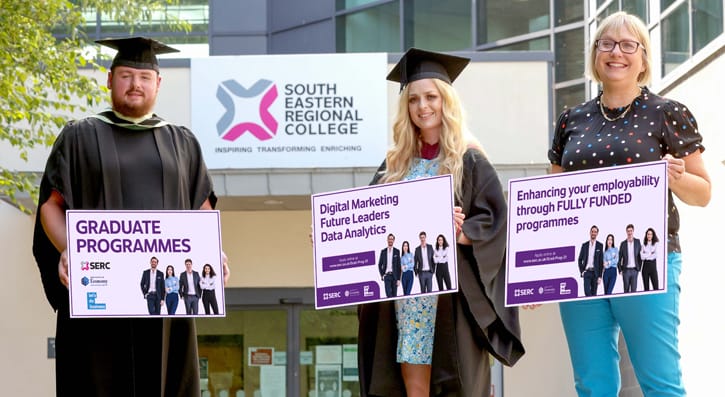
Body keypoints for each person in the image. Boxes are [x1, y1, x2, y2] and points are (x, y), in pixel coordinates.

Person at [32, 36, 229, 396]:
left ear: (158, 83)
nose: (135, 84)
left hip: (165, 305)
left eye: (143, 76)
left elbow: (202, 208)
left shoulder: (181, 142)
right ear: (109, 80)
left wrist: (213, 253)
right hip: (100, 295)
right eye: (125, 75)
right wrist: (69, 249)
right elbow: (51, 205)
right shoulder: (80, 136)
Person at [548, 11, 711, 396]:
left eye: (627, 45)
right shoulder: (572, 119)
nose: (615, 52)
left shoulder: (667, 112)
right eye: (606, 43)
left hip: (647, 260)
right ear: (595, 54)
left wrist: (676, 176)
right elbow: (555, 202)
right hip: (582, 265)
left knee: (660, 382)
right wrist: (542, 274)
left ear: (642, 57)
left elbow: (702, 192)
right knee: (592, 383)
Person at [358, 48, 523, 397]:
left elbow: (496, 218)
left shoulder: (467, 157)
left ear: (446, 99)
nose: (423, 106)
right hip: (407, 295)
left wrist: (463, 234)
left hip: (451, 296)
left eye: (431, 96)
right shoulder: (394, 164)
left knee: (458, 384)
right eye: (414, 99)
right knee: (413, 387)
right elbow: (369, 220)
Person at [577, 225, 603, 297]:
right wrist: (582, 272)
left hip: (595, 274)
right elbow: (579, 259)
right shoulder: (584, 245)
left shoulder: (600, 245)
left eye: (595, 232)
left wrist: (600, 276)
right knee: (587, 292)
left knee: (594, 294)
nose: (593, 233)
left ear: (597, 233)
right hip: (587, 272)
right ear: (590, 232)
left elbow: (601, 263)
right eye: (592, 231)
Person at [618, 224, 642, 293]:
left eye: (631, 231)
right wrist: (620, 270)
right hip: (626, 271)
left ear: (633, 231)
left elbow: (640, 256)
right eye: (628, 231)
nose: (629, 232)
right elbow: (619, 258)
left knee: (634, 291)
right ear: (626, 232)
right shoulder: (623, 244)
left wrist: (639, 268)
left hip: (635, 270)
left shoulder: (637, 242)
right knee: (626, 290)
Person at [377, 233, 401, 298]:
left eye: (392, 239)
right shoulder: (383, 251)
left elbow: (399, 266)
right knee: (388, 295)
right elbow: (379, 264)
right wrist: (382, 275)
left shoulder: (397, 251)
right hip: (387, 276)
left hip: (395, 277)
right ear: (387, 240)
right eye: (389, 239)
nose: (390, 240)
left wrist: (399, 279)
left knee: (394, 295)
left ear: (393, 240)